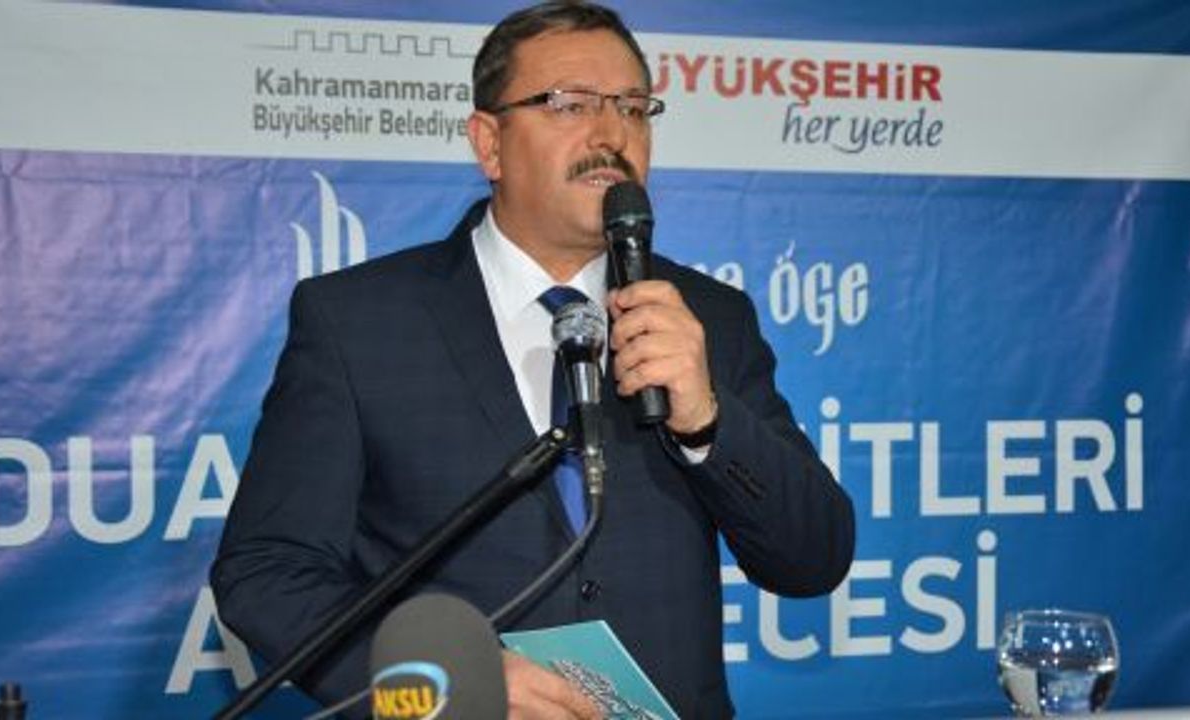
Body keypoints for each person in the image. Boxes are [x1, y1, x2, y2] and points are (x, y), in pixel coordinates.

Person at [211, 2, 855, 718]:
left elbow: (813, 558)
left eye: (633, 108)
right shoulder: (358, 322)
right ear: (489, 143)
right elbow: (266, 574)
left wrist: (706, 420)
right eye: (570, 104)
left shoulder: (707, 318)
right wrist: (445, 683)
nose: (611, 133)